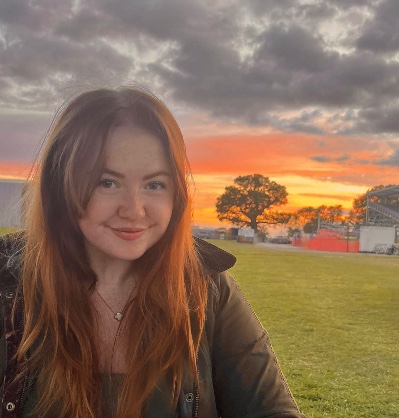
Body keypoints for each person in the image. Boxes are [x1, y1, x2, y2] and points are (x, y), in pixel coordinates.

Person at [0, 86, 305, 418]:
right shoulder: (8, 286)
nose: (134, 210)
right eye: (107, 182)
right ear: (60, 184)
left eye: (154, 184)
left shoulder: (209, 290)